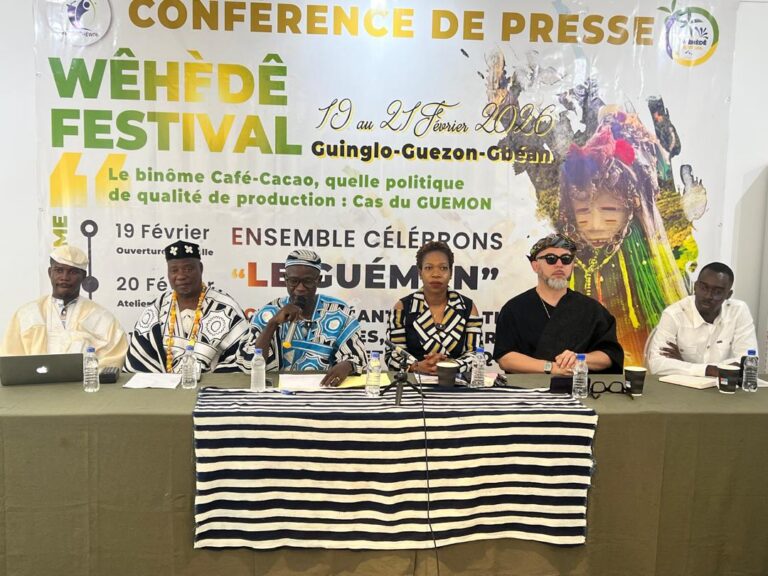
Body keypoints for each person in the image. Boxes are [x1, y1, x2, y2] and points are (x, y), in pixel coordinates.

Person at [493, 233, 624, 374]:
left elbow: (610, 355)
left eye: (566, 259)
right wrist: (551, 368)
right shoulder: (514, 309)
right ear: (535, 266)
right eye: (551, 259)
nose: (559, 264)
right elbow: (505, 358)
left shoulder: (592, 309)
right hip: (528, 386)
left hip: (579, 386)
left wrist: (579, 359)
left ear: (572, 265)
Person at [238, 249, 367, 387]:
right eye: (294, 281)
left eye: (308, 281)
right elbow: (249, 365)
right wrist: (273, 324)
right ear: (285, 279)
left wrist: (348, 365)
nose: (300, 288)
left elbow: (358, 358)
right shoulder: (269, 313)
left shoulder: (339, 312)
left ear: (318, 280)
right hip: (278, 393)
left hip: (323, 392)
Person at [124, 241, 248, 373]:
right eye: (174, 270)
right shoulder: (157, 309)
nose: (181, 276)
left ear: (200, 268)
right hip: (162, 385)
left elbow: (241, 359)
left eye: (188, 269)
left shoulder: (226, 308)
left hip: (213, 384)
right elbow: (140, 361)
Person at [0, 245, 127, 367]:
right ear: (50, 273)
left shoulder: (101, 318)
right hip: (35, 382)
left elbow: (114, 360)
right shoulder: (28, 315)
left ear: (83, 277)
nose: (65, 277)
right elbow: (9, 361)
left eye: (73, 272)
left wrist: (87, 373)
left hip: (84, 382)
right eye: (59, 270)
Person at [386, 241, 482, 374]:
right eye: (428, 268)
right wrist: (416, 366)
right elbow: (392, 356)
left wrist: (450, 366)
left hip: (454, 382)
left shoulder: (467, 307)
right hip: (414, 382)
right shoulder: (402, 307)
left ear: (451, 273)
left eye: (443, 268)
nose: (436, 274)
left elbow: (476, 355)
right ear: (420, 272)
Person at [647, 262, 758, 377]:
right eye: (704, 288)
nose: (708, 296)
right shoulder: (674, 314)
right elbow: (657, 364)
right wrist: (710, 370)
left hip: (724, 386)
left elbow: (749, 361)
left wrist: (684, 365)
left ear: (728, 295)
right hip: (682, 387)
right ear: (695, 286)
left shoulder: (738, 311)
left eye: (717, 292)